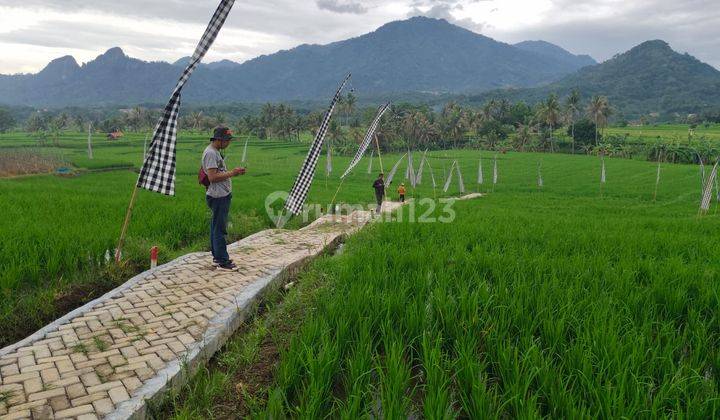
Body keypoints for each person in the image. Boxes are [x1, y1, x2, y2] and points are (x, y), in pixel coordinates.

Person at [202, 126, 246, 270]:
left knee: (216, 227)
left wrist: (233, 172)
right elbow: (213, 177)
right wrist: (233, 173)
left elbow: (217, 173)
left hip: (221, 195)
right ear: (219, 140)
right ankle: (222, 261)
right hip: (218, 196)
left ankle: (217, 257)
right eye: (226, 140)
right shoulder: (211, 153)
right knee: (220, 229)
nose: (228, 143)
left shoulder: (215, 152)